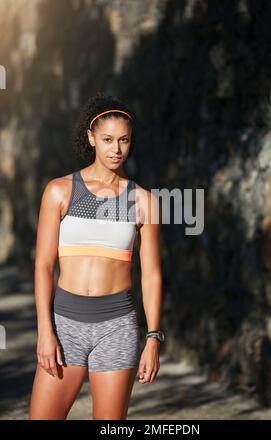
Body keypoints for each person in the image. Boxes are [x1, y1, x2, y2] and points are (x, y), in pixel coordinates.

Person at [28, 92, 164, 420]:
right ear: (91, 138)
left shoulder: (143, 201)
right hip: (65, 326)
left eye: (123, 141)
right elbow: (44, 265)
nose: (116, 149)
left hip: (118, 327)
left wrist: (153, 338)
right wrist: (45, 331)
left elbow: (152, 274)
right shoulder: (59, 191)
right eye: (107, 139)